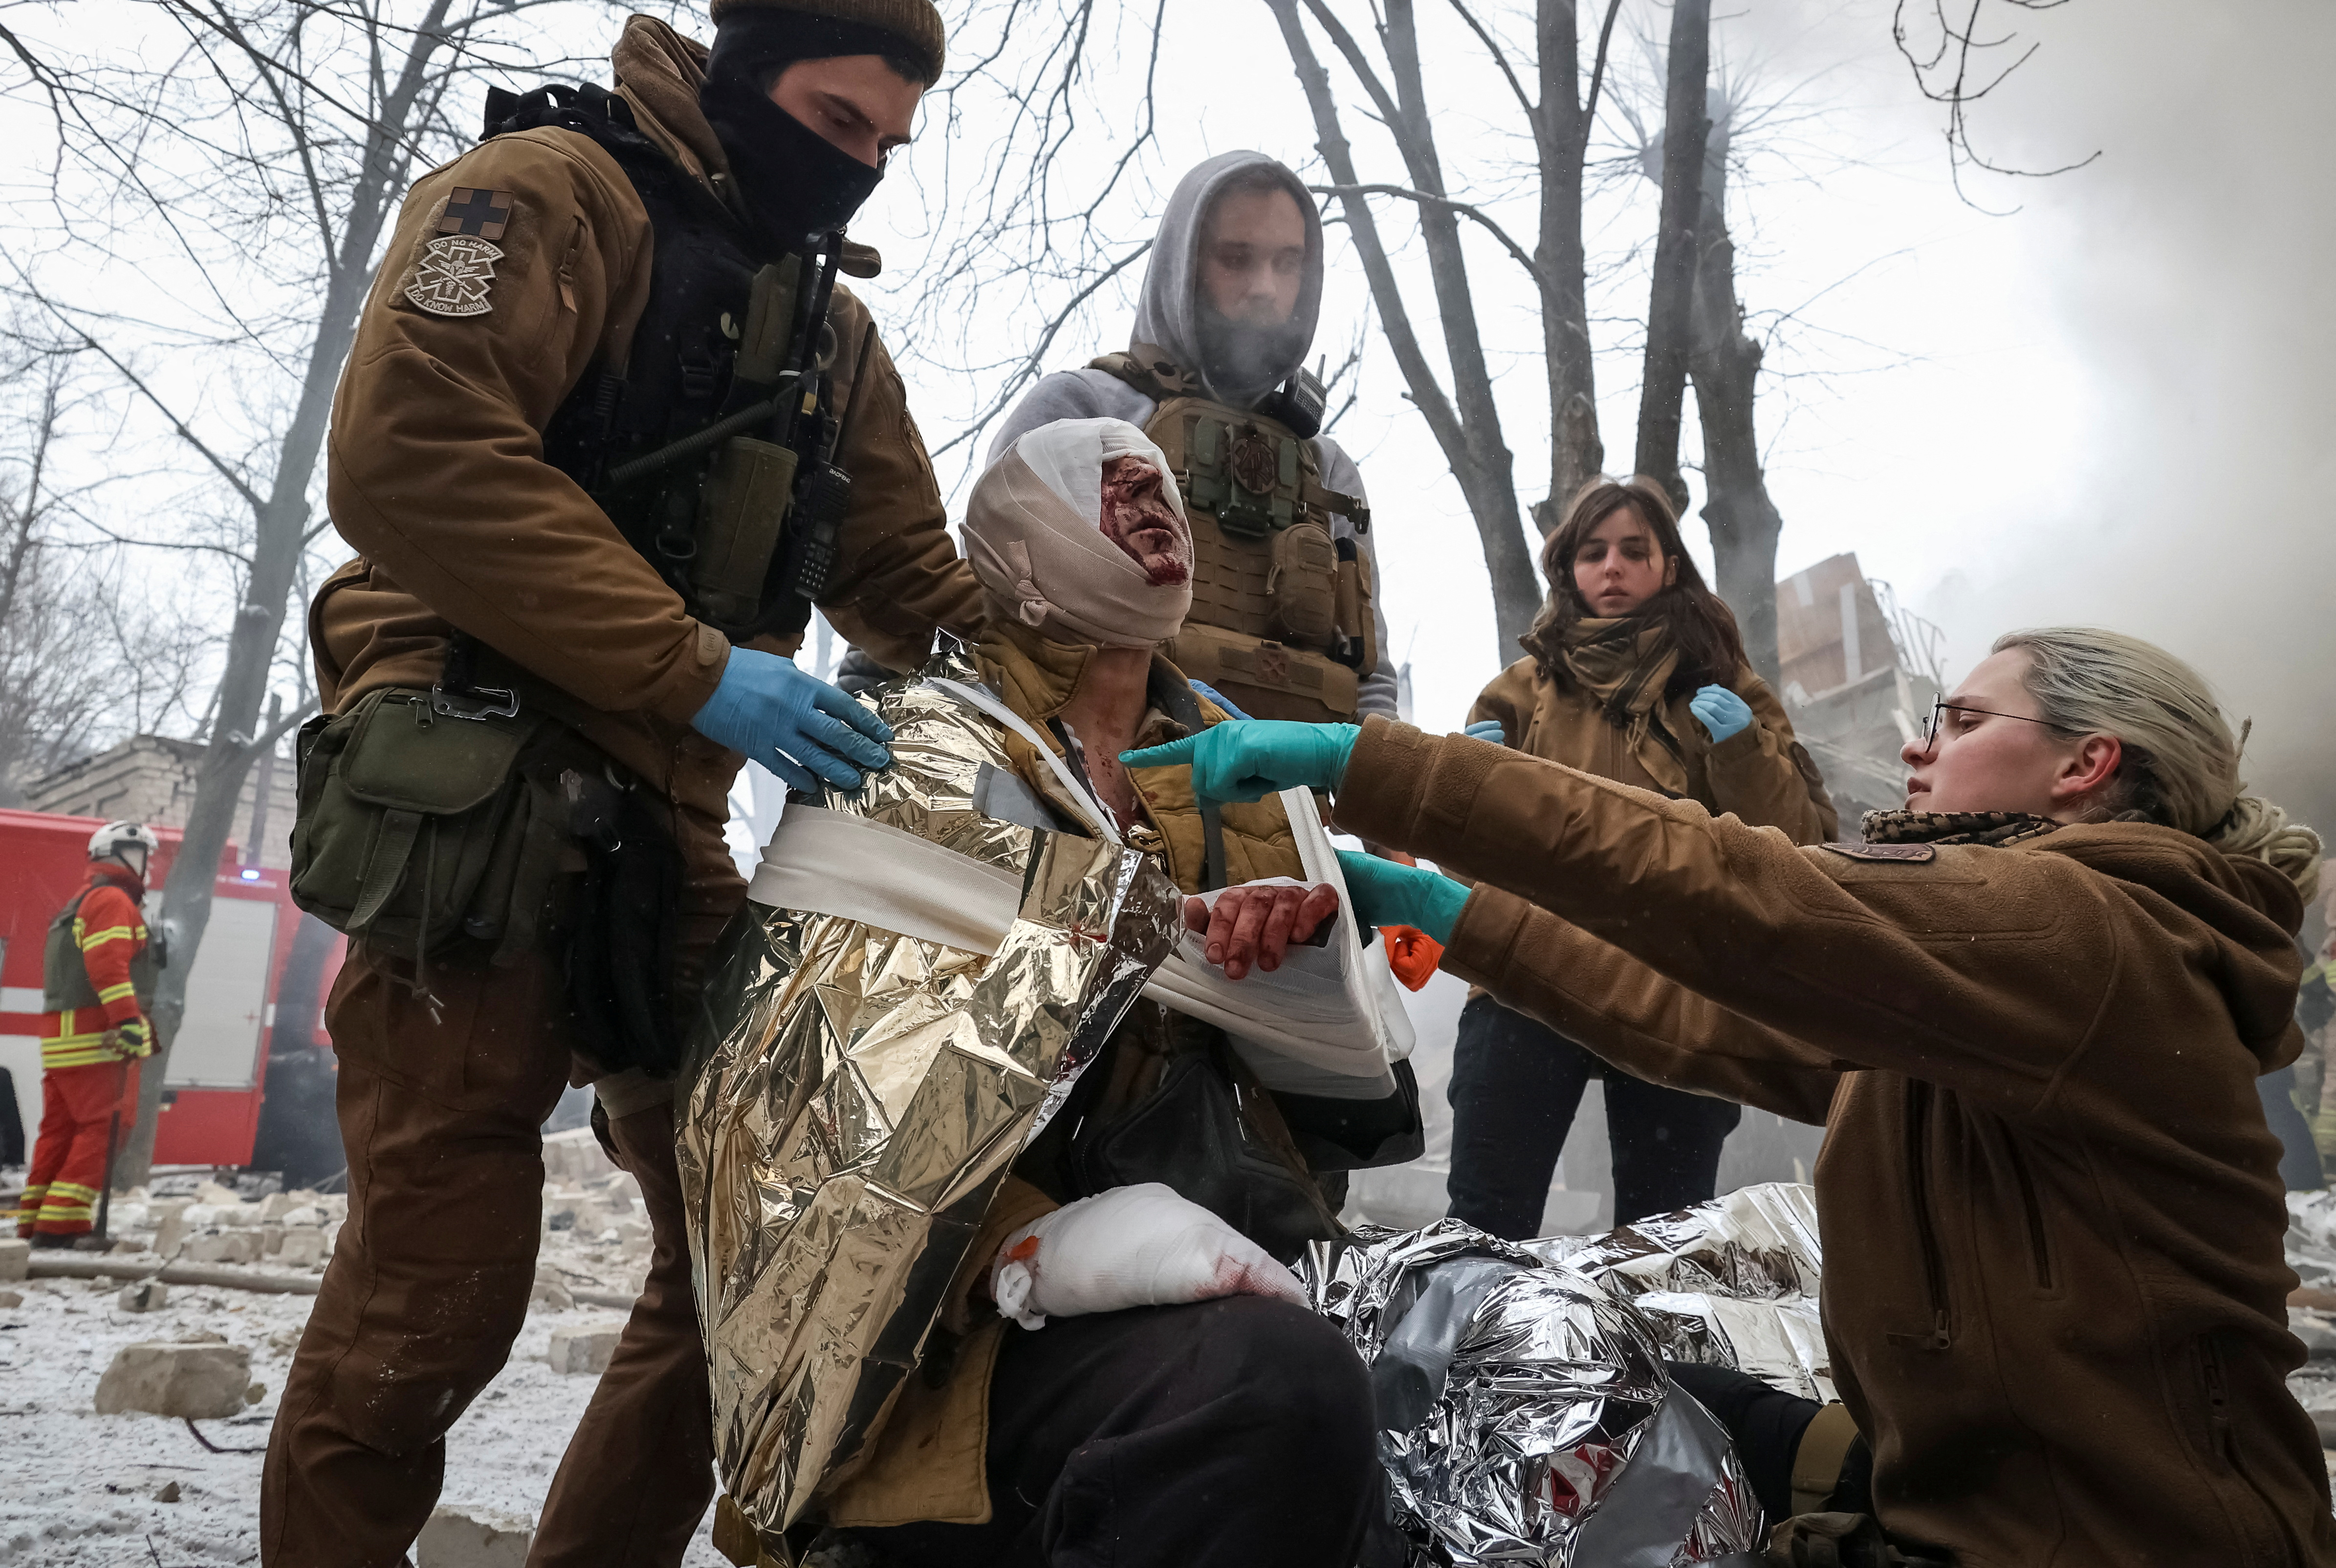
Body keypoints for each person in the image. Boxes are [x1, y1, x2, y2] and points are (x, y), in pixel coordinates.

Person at [1132, 627, 2336, 1564]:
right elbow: (1697, 1018)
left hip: (2105, 1540)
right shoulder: (1996, 988)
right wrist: (1445, 913)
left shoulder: (2089, 926)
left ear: (2084, 764)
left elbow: (1742, 890)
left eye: (1962, 720)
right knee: (1607, 1402)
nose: (1916, 750)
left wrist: (1370, 764)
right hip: (1972, 1495)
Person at [264, 3, 982, 1564]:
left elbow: (915, 585)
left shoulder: (827, 332)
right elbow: (409, 450)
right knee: (430, 1296)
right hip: (480, 776)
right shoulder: (548, 195)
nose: (857, 168)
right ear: (743, 71)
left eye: (887, 146)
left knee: (760, 1239)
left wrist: (1126, 675)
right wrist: (697, 667)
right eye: (837, 122)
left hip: (664, 813)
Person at [685, 417, 1407, 1568]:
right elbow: (799, 1109)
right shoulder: (911, 756)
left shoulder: (1248, 775)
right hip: (965, 1333)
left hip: (1232, 1258)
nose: (1153, 504)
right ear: (1017, 552)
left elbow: (1348, 1107)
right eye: (1113, 489)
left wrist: (1303, 967)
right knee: (1279, 1393)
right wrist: (1038, 1247)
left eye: (1159, 487)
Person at [1448, 475, 1833, 1237]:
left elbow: (1799, 849)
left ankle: (1646, 1328)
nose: (1612, 568)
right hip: (1526, 971)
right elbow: (1463, 871)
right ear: (1568, 569)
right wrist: (1467, 794)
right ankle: (1474, 1323)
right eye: (1593, 552)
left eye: (1633, 550)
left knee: (1660, 1239)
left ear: (1668, 565)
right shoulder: (1518, 694)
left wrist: (1743, 753)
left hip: (1678, 981)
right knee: (1484, 1226)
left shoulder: (1723, 685)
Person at [987, 152, 1397, 727]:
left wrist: (1385, 766)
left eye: (1288, 263)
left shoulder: (1326, 468)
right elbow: (981, 609)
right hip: (1094, 771)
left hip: (1289, 780)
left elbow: (1367, 676)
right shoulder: (1081, 411)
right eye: (1236, 259)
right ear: (1184, 266)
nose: (1265, 288)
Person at [13, 821, 159, 1249]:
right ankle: (64, 1226)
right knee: (106, 1126)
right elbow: (108, 967)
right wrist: (127, 1022)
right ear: (119, 854)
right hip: (97, 1039)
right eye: (141, 854)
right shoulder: (112, 901)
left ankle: (36, 1221)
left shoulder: (79, 902)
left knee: (59, 1131)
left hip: (63, 1039)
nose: (147, 865)